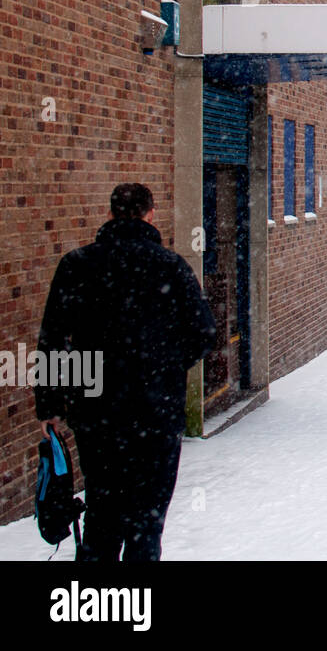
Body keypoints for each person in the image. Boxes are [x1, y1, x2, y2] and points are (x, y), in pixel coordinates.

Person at [35, 183, 218, 561]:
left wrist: (50, 406)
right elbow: (203, 334)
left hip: (96, 413)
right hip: (156, 414)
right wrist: (163, 368)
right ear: (151, 214)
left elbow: (53, 339)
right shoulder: (171, 266)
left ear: (110, 214)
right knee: (146, 524)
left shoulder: (78, 264)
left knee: (102, 515)